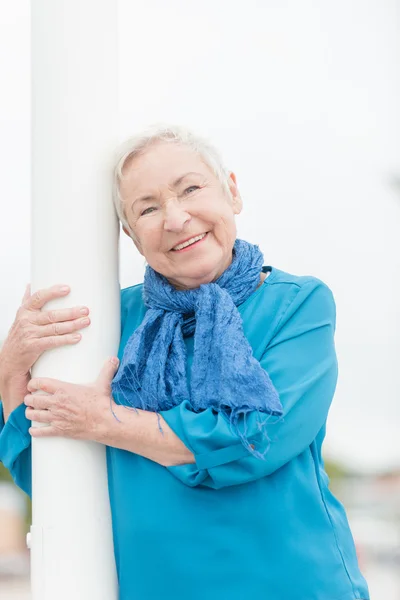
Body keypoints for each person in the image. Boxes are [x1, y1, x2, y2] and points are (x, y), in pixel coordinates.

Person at [0, 125, 369, 600]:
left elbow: (256, 439)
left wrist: (105, 420)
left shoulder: (299, 305)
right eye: (147, 208)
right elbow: (53, 474)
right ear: (131, 236)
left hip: (291, 584)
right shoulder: (107, 319)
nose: (175, 219)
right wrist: (11, 369)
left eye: (191, 188)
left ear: (232, 191)